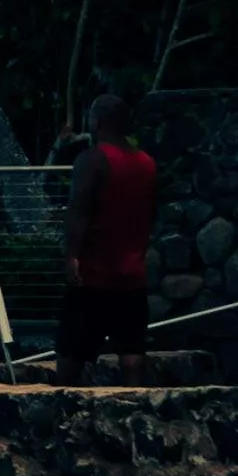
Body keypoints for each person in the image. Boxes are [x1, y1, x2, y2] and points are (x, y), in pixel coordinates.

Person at [58, 90, 158, 377]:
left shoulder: (92, 160)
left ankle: (66, 415)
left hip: (94, 272)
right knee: (131, 350)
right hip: (132, 272)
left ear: (98, 122)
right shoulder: (147, 163)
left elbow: (79, 210)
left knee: (71, 352)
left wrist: (72, 256)